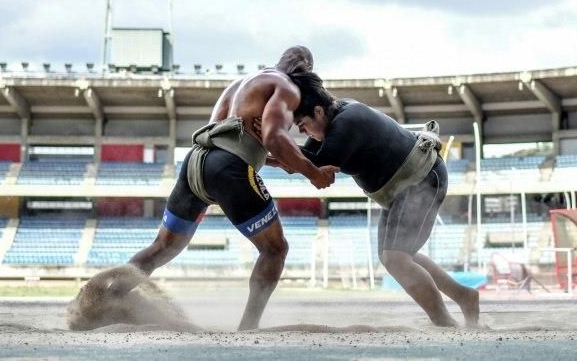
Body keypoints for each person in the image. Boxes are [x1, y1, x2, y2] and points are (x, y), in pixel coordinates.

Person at [93, 46, 339, 331]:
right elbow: (272, 137)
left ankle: (106, 303)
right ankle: (248, 326)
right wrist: (313, 173)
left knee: (162, 247)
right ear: (305, 72)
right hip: (228, 169)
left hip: (195, 165)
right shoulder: (286, 89)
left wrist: (275, 161)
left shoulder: (240, 86)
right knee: (275, 249)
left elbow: (220, 134)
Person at [288, 75, 479, 327]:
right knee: (397, 256)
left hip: (420, 179)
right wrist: (268, 148)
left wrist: (270, 145)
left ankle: (444, 322)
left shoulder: (347, 121)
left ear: (318, 111)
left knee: (396, 258)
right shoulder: (333, 120)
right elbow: (301, 157)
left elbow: (312, 163)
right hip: (402, 188)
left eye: (302, 125)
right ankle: (464, 297)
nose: (302, 132)